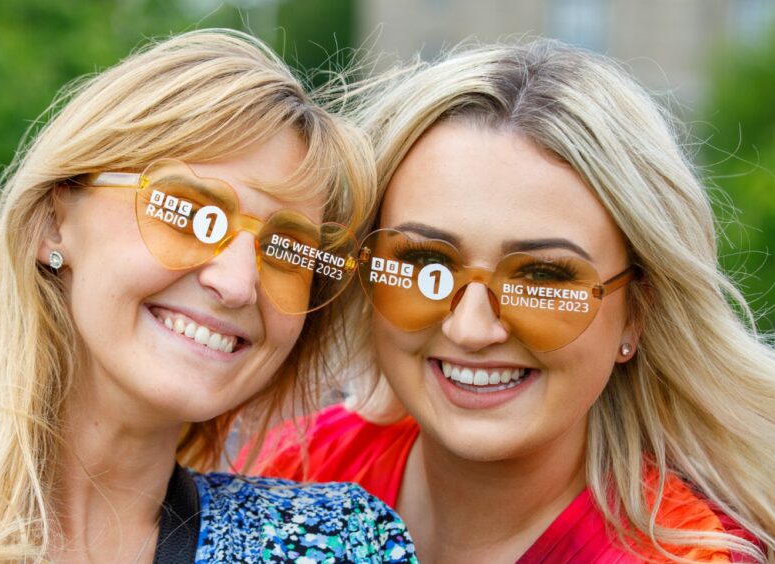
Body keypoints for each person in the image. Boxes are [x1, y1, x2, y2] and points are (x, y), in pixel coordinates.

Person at [237, 41, 775, 562]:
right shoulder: (291, 470)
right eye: (426, 262)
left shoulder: (695, 555)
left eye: (542, 275)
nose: (471, 329)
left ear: (636, 313)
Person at [0, 29, 417, 563]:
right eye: (191, 214)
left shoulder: (335, 545)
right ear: (54, 220)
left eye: (285, 249)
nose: (236, 284)